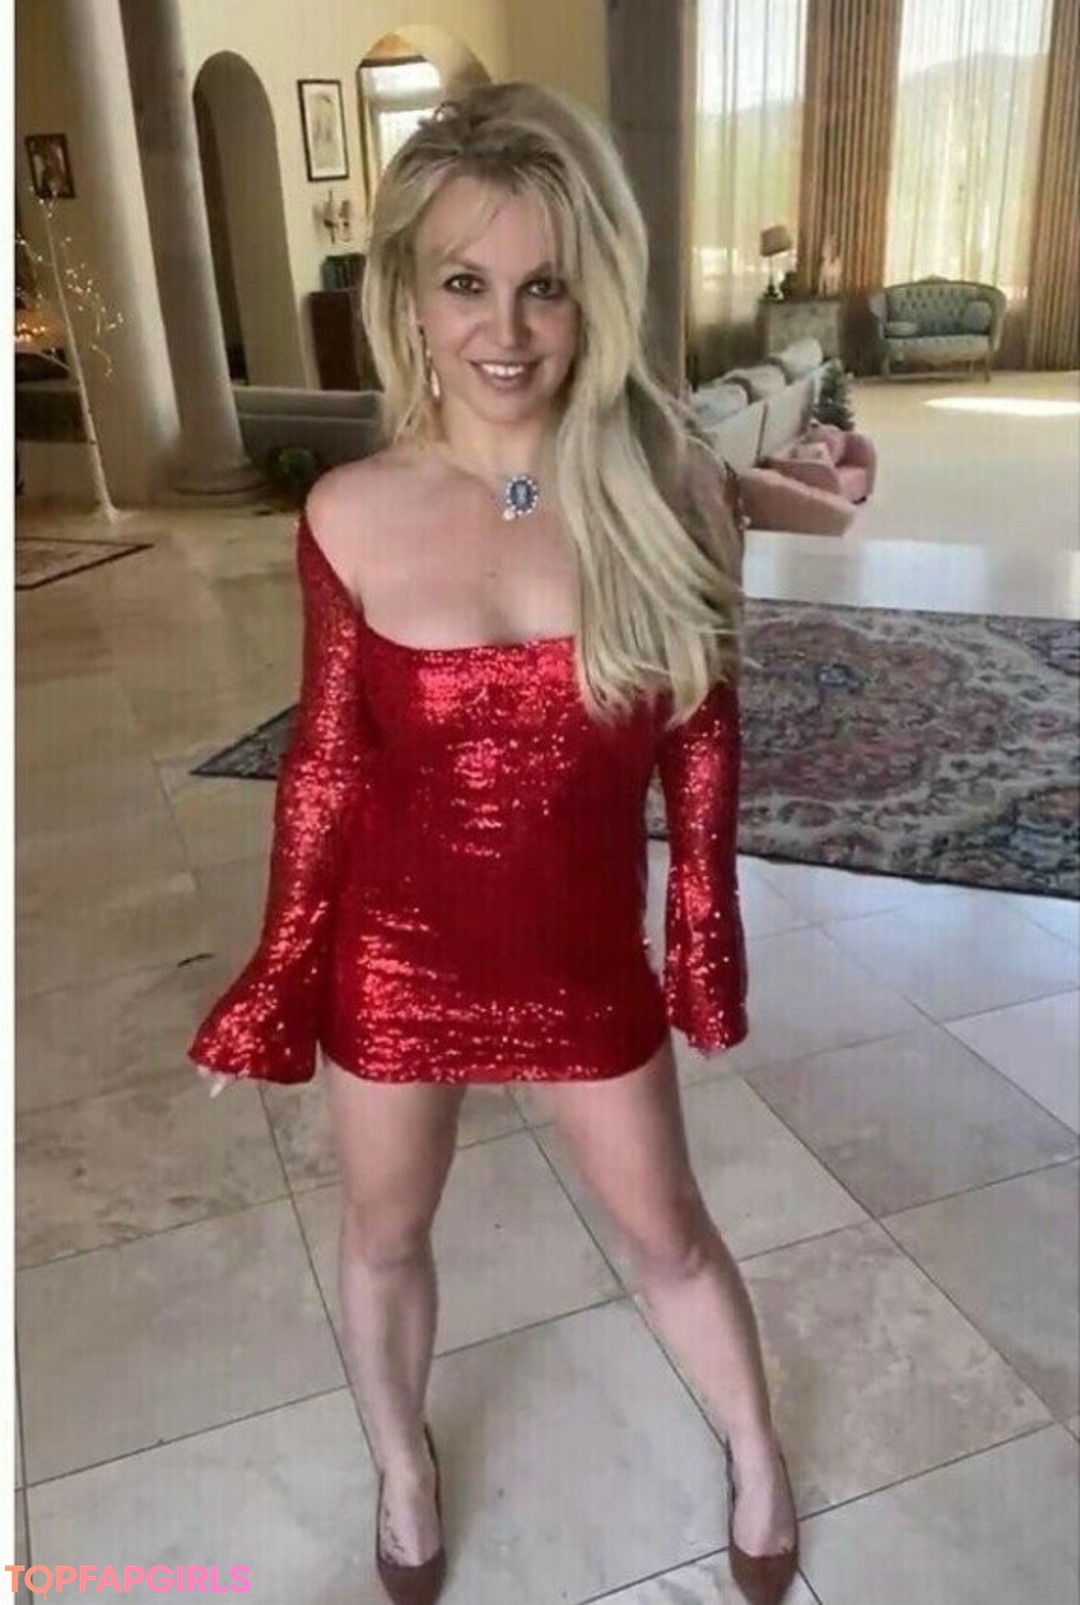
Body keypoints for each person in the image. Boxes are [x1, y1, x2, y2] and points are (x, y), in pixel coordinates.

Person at [190, 80, 798, 1605]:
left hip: (579, 953)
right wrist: (278, 971)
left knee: (669, 1235)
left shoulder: (671, 490)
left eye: (546, 285)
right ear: (408, 291)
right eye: (467, 281)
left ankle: (756, 1452)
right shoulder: (349, 509)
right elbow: (326, 767)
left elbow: (702, 738)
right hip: (396, 957)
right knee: (385, 1234)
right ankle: (402, 1468)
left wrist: (702, 939)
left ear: (599, 290)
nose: (507, 331)